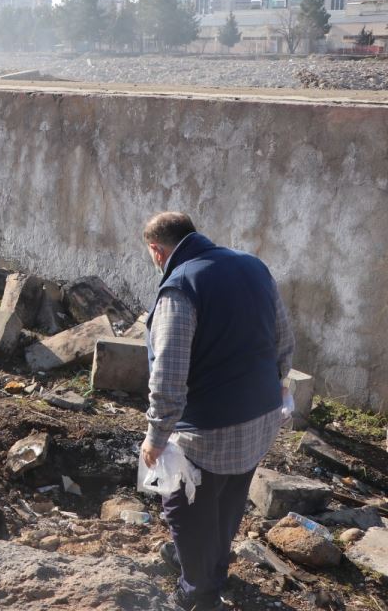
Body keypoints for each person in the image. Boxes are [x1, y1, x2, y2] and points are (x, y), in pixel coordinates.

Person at [140, 212, 294, 611]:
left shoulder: (180, 287)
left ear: (157, 250)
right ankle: (215, 566)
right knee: (228, 499)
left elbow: (168, 374)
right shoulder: (253, 266)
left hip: (207, 429)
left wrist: (156, 437)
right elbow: (284, 339)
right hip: (262, 416)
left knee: (184, 510)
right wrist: (276, 387)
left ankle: (198, 595)